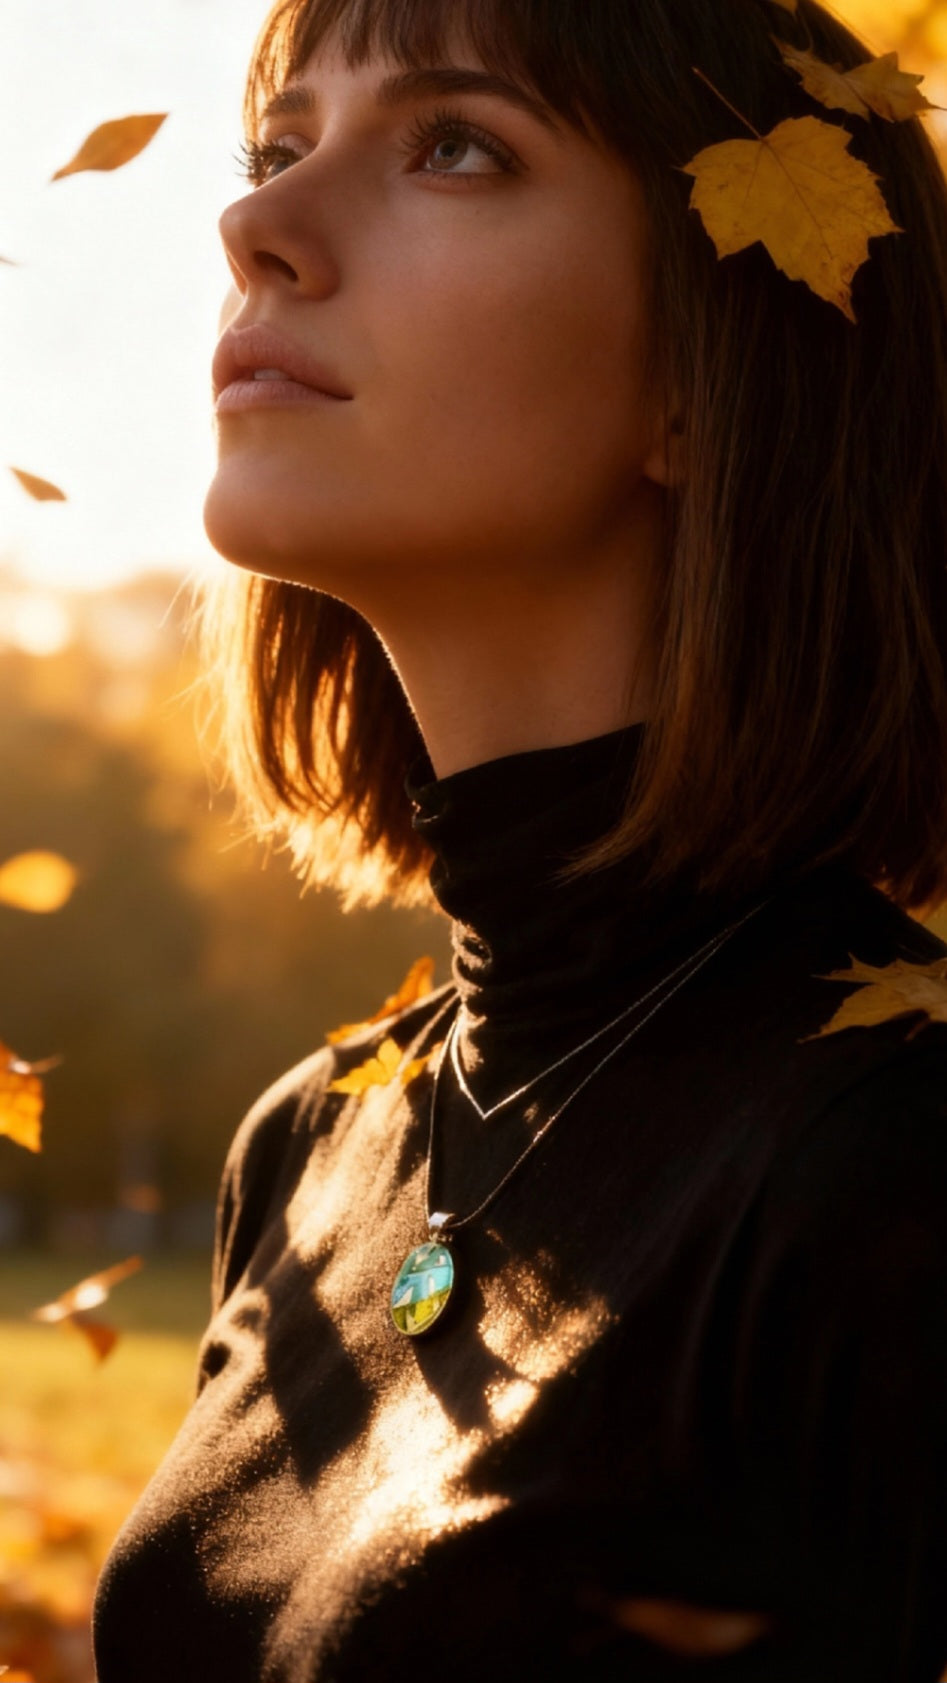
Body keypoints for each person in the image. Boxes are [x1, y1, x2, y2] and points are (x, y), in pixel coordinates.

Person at [92, 0, 947, 1677]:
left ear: (709, 375)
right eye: (277, 149)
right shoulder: (306, 1147)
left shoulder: (896, 1162)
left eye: (454, 146)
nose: (253, 224)